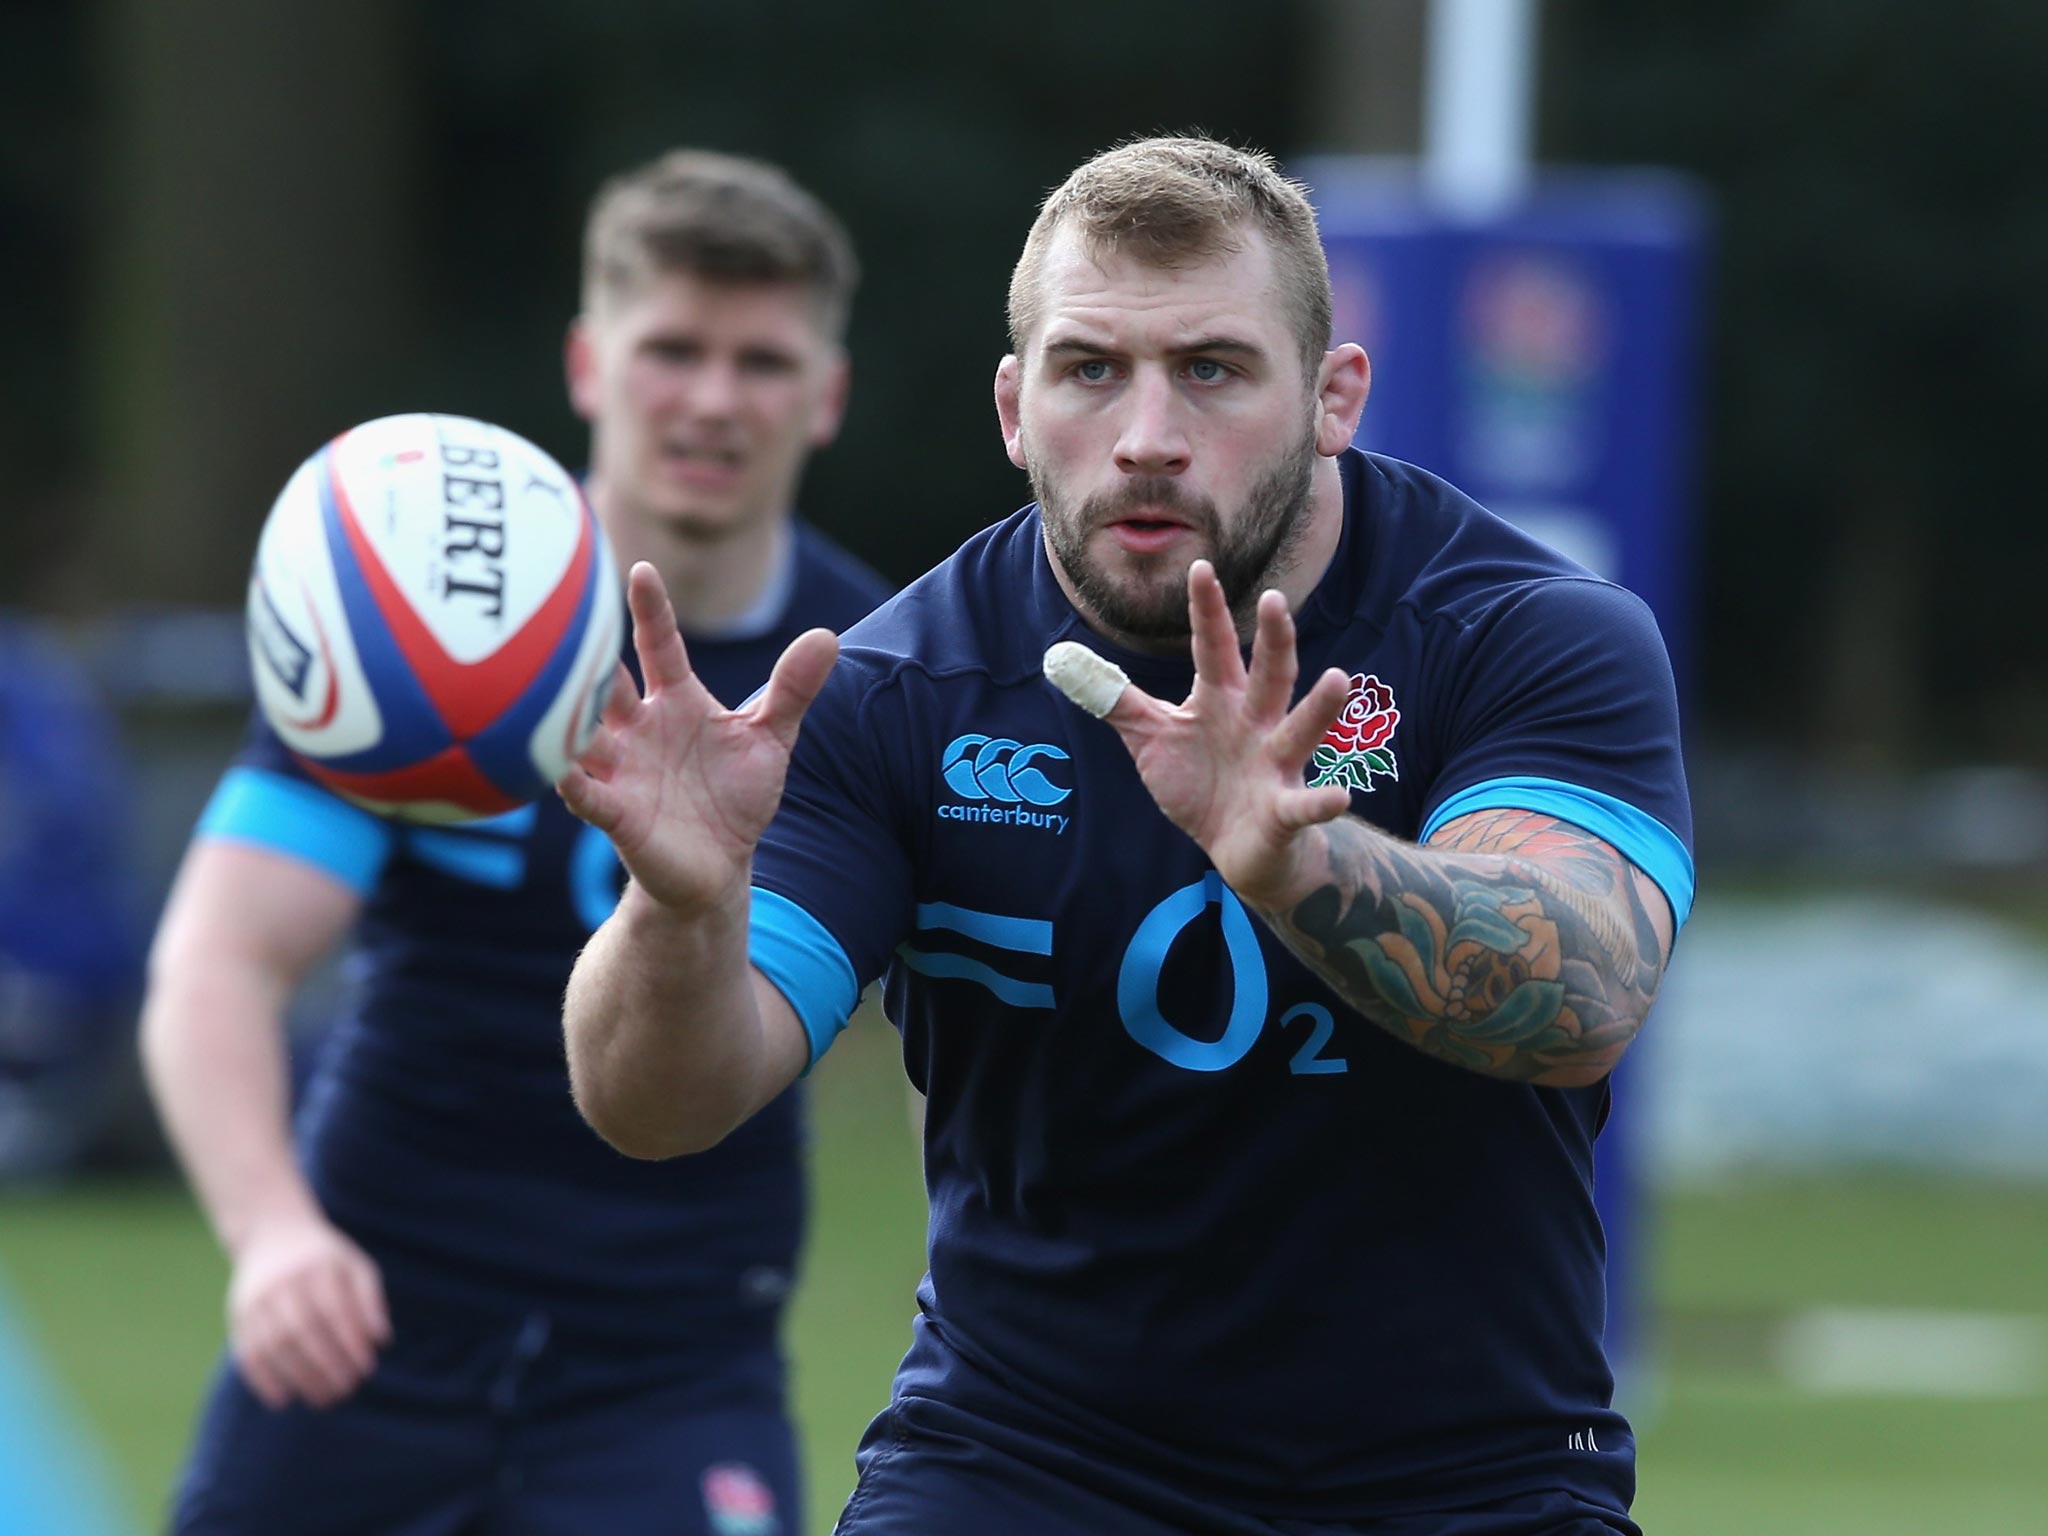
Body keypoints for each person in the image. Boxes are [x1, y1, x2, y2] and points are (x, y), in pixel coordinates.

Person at [560, 136, 1694, 1536]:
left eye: (1212, 369)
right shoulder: (893, 695)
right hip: (1028, 1460)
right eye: (1090, 369)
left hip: (1473, 1474)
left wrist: (1297, 864)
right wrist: (679, 909)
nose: (1148, 433)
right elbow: (655, 1104)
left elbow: (1583, 992)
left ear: (1335, 397)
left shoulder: (1526, 635)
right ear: (1013, 410)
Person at [144, 148, 892, 1536]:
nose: (716, 400)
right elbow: (221, 959)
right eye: (672, 348)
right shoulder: (432, 604)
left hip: (674, 1357)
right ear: (588, 365)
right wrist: (272, 1235)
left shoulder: (867, 675)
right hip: (369, 1310)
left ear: (828, 394)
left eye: (765, 362)